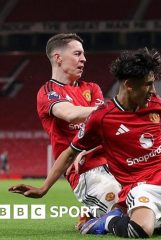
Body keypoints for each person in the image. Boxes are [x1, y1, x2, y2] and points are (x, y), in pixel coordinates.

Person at [10, 49, 161, 238]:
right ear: (129, 84)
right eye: (147, 84)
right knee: (141, 231)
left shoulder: (155, 104)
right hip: (141, 188)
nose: (152, 90)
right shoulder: (101, 117)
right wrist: (43, 189)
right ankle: (101, 222)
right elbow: (70, 152)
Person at [26, 33, 121, 219]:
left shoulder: (91, 88)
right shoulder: (48, 92)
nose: (84, 59)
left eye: (83, 54)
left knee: (152, 208)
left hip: (115, 165)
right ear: (58, 58)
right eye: (77, 54)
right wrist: (113, 109)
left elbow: (103, 124)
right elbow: (70, 114)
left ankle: (93, 213)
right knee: (131, 217)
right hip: (85, 172)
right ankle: (92, 221)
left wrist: (104, 115)